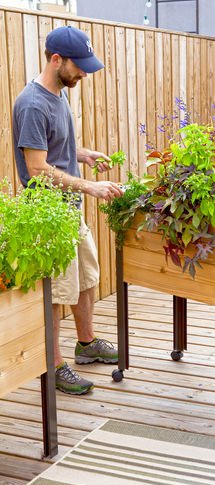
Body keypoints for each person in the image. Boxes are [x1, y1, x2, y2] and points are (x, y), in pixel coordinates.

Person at [12, 25, 124, 395]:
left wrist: (83, 154)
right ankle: (53, 363)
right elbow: (37, 169)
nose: (84, 74)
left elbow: (53, 149)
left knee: (87, 278)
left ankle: (87, 344)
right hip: (47, 215)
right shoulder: (32, 103)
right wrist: (89, 186)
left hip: (68, 209)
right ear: (56, 59)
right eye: (80, 66)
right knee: (57, 291)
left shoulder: (58, 94)